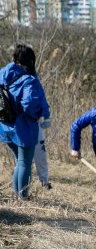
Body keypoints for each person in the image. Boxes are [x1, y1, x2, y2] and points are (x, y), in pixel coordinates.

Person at [0, 44, 50, 200]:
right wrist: (37, 116)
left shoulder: (2, 73)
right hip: (23, 127)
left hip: (5, 125)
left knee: (19, 161)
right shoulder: (29, 80)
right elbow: (29, 104)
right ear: (30, 61)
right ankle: (21, 197)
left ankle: (17, 196)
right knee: (24, 163)